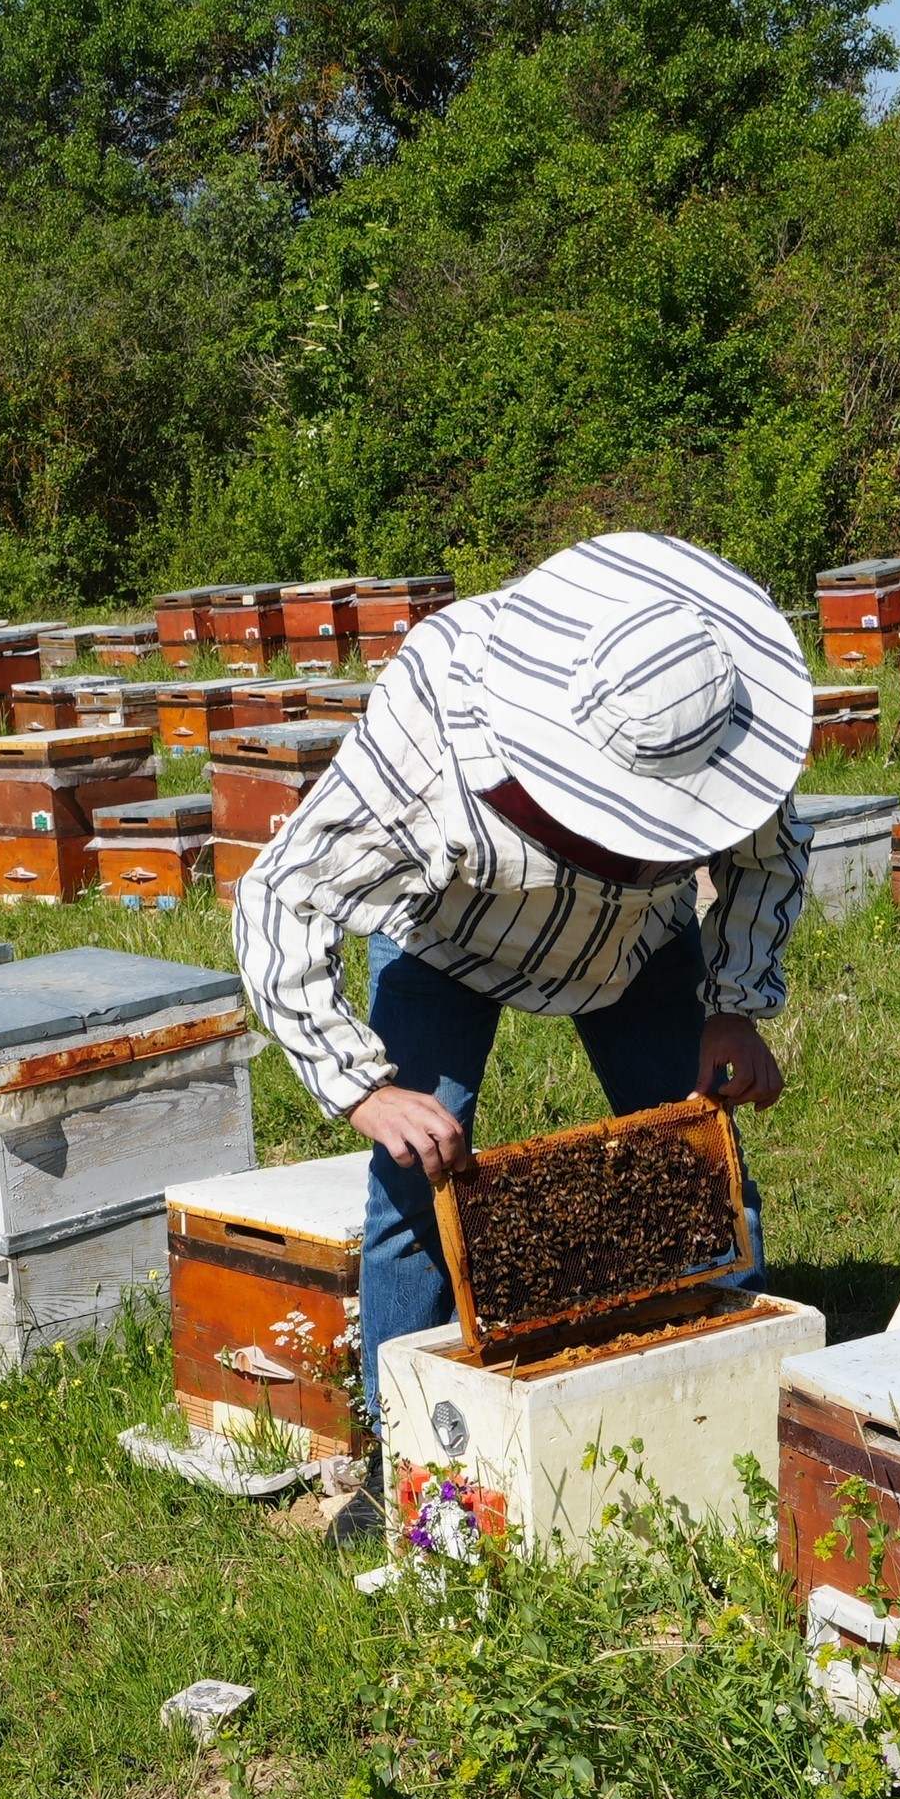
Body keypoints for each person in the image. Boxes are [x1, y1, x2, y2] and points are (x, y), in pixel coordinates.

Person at [228, 529, 815, 1440]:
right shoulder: (434, 718)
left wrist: (733, 1006)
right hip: (448, 940)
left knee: (702, 1169)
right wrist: (364, 1090)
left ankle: (740, 1425)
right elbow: (282, 893)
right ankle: (406, 1450)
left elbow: (769, 856)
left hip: (638, 947)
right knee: (413, 1194)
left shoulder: (708, 710)